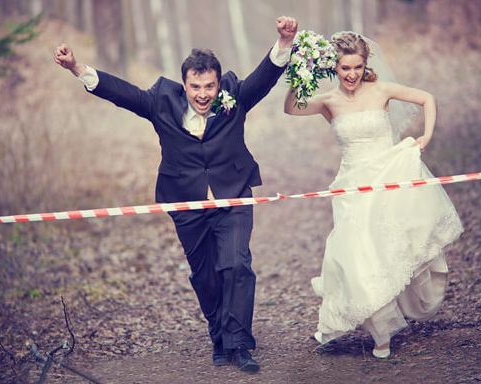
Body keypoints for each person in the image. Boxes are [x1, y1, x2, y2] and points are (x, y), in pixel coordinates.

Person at [54, 16, 298, 373]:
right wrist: (77, 67)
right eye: (195, 86)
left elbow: (265, 75)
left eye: (210, 86)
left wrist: (284, 41)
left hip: (233, 196)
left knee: (236, 264)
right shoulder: (160, 103)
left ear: (218, 83)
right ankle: (218, 334)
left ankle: (240, 343)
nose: (203, 94)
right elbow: (121, 93)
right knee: (205, 275)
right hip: (185, 203)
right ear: (184, 84)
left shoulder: (235, 96)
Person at [284, 31, 464, 358]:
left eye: (357, 67)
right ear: (334, 68)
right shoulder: (329, 101)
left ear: (365, 64)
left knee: (386, 249)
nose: (351, 74)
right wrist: (301, 71)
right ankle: (382, 333)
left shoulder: (381, 90)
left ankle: (390, 321)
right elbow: (291, 108)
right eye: (344, 68)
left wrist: (425, 137)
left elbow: (427, 98)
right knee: (357, 254)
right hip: (352, 185)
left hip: (389, 175)